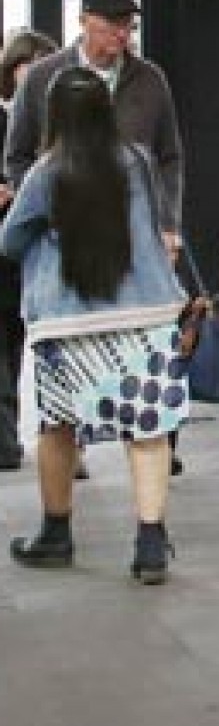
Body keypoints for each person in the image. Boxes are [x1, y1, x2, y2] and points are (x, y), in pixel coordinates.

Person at [3, 66, 191, 583]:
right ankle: (151, 545)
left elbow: (9, 240)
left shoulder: (46, 172)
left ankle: (56, 534)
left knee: (57, 428)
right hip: (144, 319)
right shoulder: (138, 162)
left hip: (68, 328)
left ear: (55, 117)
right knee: (148, 431)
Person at [4, 0, 184, 257]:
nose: (122, 33)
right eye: (112, 24)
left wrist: (167, 223)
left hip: (134, 234)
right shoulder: (42, 77)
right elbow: (17, 156)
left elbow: (169, 156)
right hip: (61, 238)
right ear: (83, 20)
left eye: (128, 24)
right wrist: (42, 210)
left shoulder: (150, 80)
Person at [0, 26, 57, 469]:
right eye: (28, 68)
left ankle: (58, 436)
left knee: (30, 345)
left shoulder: (58, 125)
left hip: (38, 249)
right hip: (9, 246)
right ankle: (6, 437)